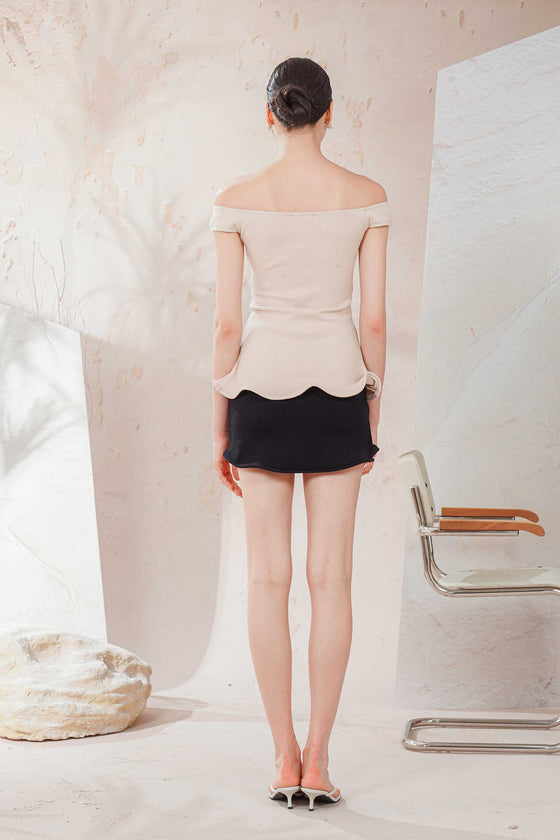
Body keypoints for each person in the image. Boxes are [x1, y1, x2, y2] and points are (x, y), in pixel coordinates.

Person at [209, 56, 391, 811]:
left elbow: (226, 325)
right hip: (340, 389)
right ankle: (319, 760)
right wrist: (371, 412)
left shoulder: (236, 200)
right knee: (331, 580)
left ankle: (282, 755)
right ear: (328, 113)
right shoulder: (366, 197)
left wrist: (220, 424)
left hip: (259, 392)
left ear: (269, 113)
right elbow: (373, 320)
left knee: (267, 580)